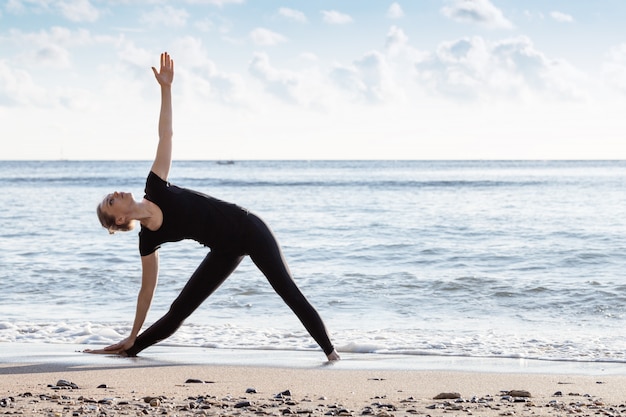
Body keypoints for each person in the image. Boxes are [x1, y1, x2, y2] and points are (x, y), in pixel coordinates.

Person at [88, 52, 340, 361]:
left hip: (250, 228)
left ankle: (332, 354)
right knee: (177, 312)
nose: (115, 193)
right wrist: (132, 334)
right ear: (121, 217)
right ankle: (131, 349)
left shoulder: (155, 186)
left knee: (287, 291)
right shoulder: (148, 239)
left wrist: (166, 89)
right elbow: (146, 292)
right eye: (111, 201)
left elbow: (165, 134)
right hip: (224, 250)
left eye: (111, 195)